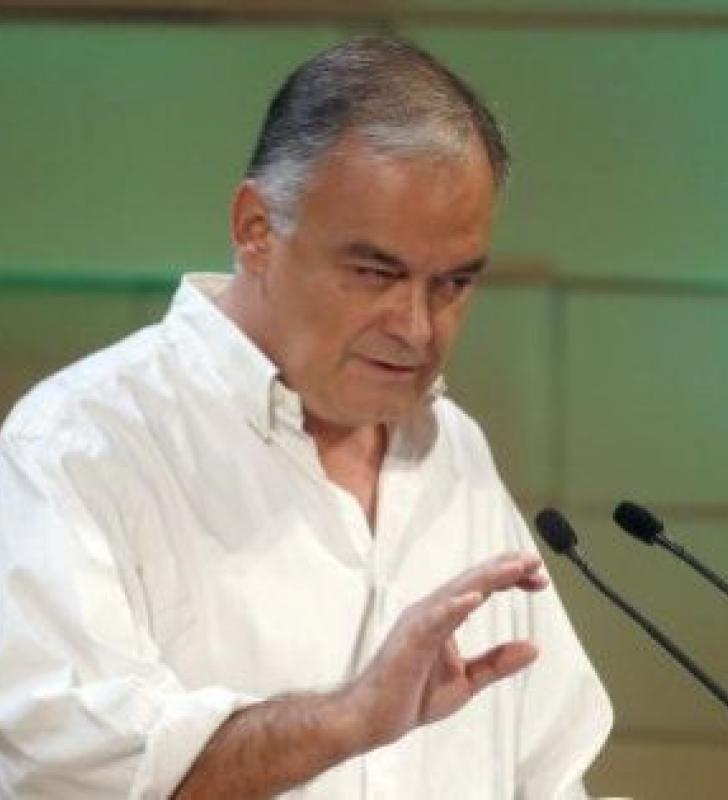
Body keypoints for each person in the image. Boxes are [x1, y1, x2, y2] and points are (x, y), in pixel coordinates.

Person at [0, 37, 612, 798]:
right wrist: (347, 719)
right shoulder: (80, 447)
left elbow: (548, 771)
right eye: (376, 272)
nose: (417, 327)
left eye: (453, 284)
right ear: (256, 228)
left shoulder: (453, 448)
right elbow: (66, 769)